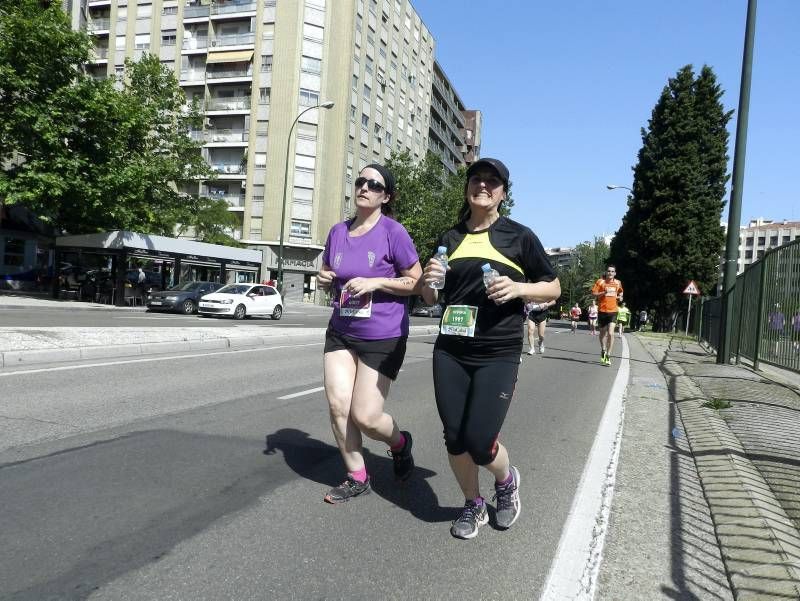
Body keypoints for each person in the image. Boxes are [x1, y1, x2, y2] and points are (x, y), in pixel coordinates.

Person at [418, 157, 560, 539]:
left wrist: (519, 288)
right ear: (467, 187)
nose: (483, 185)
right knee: (454, 436)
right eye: (477, 179)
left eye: (492, 181)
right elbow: (431, 295)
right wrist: (429, 282)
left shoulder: (519, 236)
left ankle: (506, 481)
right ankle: (473, 504)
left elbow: (553, 286)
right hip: (451, 349)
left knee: (480, 442)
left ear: (503, 193)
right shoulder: (449, 238)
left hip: (497, 351)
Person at [316, 163, 423, 504]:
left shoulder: (394, 232)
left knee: (366, 416)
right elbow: (330, 270)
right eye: (361, 181)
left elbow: (416, 282)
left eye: (374, 185)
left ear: (385, 196)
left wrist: (377, 281)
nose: (364, 187)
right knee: (337, 405)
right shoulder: (337, 231)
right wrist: (324, 278)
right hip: (342, 329)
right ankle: (356, 475)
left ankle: (400, 444)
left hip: (383, 334)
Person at [591, 265, 624, 366]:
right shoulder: (600, 282)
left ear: (615, 273)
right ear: (606, 272)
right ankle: (603, 350)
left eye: (612, 271)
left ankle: (608, 356)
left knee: (610, 333)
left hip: (613, 311)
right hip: (602, 311)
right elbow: (594, 294)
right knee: (602, 334)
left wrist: (620, 298)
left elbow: (621, 293)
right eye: (608, 271)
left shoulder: (618, 283)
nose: (610, 273)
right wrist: (603, 292)